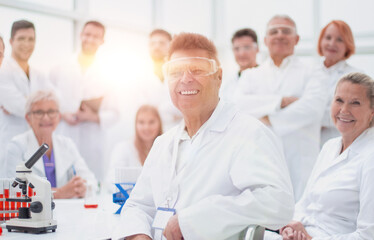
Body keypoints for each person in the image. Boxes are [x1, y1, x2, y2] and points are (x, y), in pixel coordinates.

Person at [115, 32, 294, 240]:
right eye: (176, 71)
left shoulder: (248, 133)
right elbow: (138, 204)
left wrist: (192, 221)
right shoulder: (163, 143)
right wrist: (139, 236)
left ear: (218, 77)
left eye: (197, 70)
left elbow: (278, 202)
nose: (185, 79)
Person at [265, 72, 374, 240]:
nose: (344, 110)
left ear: (372, 112)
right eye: (339, 100)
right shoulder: (330, 147)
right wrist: (290, 226)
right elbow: (305, 202)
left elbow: (368, 235)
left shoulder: (370, 158)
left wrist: (311, 239)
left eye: (355, 103)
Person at [233, 15, 328, 200]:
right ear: (266, 40)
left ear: (297, 39)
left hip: (300, 161)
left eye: (286, 31)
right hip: (260, 158)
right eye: (274, 31)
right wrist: (281, 101)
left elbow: (312, 109)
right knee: (262, 213)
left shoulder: (314, 71)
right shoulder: (251, 75)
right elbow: (239, 104)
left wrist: (266, 118)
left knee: (298, 218)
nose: (280, 35)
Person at [49, 20, 119, 182]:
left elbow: (115, 113)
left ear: (102, 41)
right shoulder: (60, 66)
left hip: (92, 139)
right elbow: (48, 98)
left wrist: (91, 117)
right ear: (80, 35)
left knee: (90, 185)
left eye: (96, 37)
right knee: (61, 183)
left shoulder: (108, 72)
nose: (90, 39)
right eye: (87, 34)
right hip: (65, 132)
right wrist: (61, 114)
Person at [4, 90, 97, 199]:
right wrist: (59, 193)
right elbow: (13, 191)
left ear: (58, 116)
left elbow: (91, 182)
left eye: (51, 111)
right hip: (32, 215)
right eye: (39, 112)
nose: (46, 117)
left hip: (67, 213)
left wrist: (82, 188)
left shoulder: (67, 144)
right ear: (28, 118)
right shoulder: (16, 146)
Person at [0, 20, 53, 177]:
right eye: (21, 39)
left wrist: (30, 103)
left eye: (31, 39)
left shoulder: (39, 74)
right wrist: (39, 103)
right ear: (11, 42)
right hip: (8, 144)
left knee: (32, 193)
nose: (26, 44)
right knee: (9, 192)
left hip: (32, 146)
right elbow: (19, 105)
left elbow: (56, 103)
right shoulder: (3, 70)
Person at [315, 20, 361, 146]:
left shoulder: (356, 77)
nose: (331, 43)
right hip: (307, 146)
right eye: (328, 38)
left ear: (348, 45)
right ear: (320, 41)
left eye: (339, 40)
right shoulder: (308, 72)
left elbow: (352, 114)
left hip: (340, 143)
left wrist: (310, 117)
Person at [105, 105, 162, 187]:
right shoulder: (123, 149)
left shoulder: (168, 148)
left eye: (151, 122)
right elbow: (112, 180)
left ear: (159, 123)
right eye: (141, 122)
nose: (146, 127)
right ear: (135, 124)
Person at [136, 29, 182, 131]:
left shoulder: (182, 73)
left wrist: (158, 111)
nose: (156, 47)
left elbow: (185, 105)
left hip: (178, 131)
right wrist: (171, 115)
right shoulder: (140, 75)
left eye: (161, 43)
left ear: (171, 46)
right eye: (153, 43)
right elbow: (143, 111)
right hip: (151, 134)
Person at [220, 28, 259, 101]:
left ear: (257, 49)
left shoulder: (267, 77)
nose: (242, 53)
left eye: (247, 47)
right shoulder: (228, 82)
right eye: (237, 49)